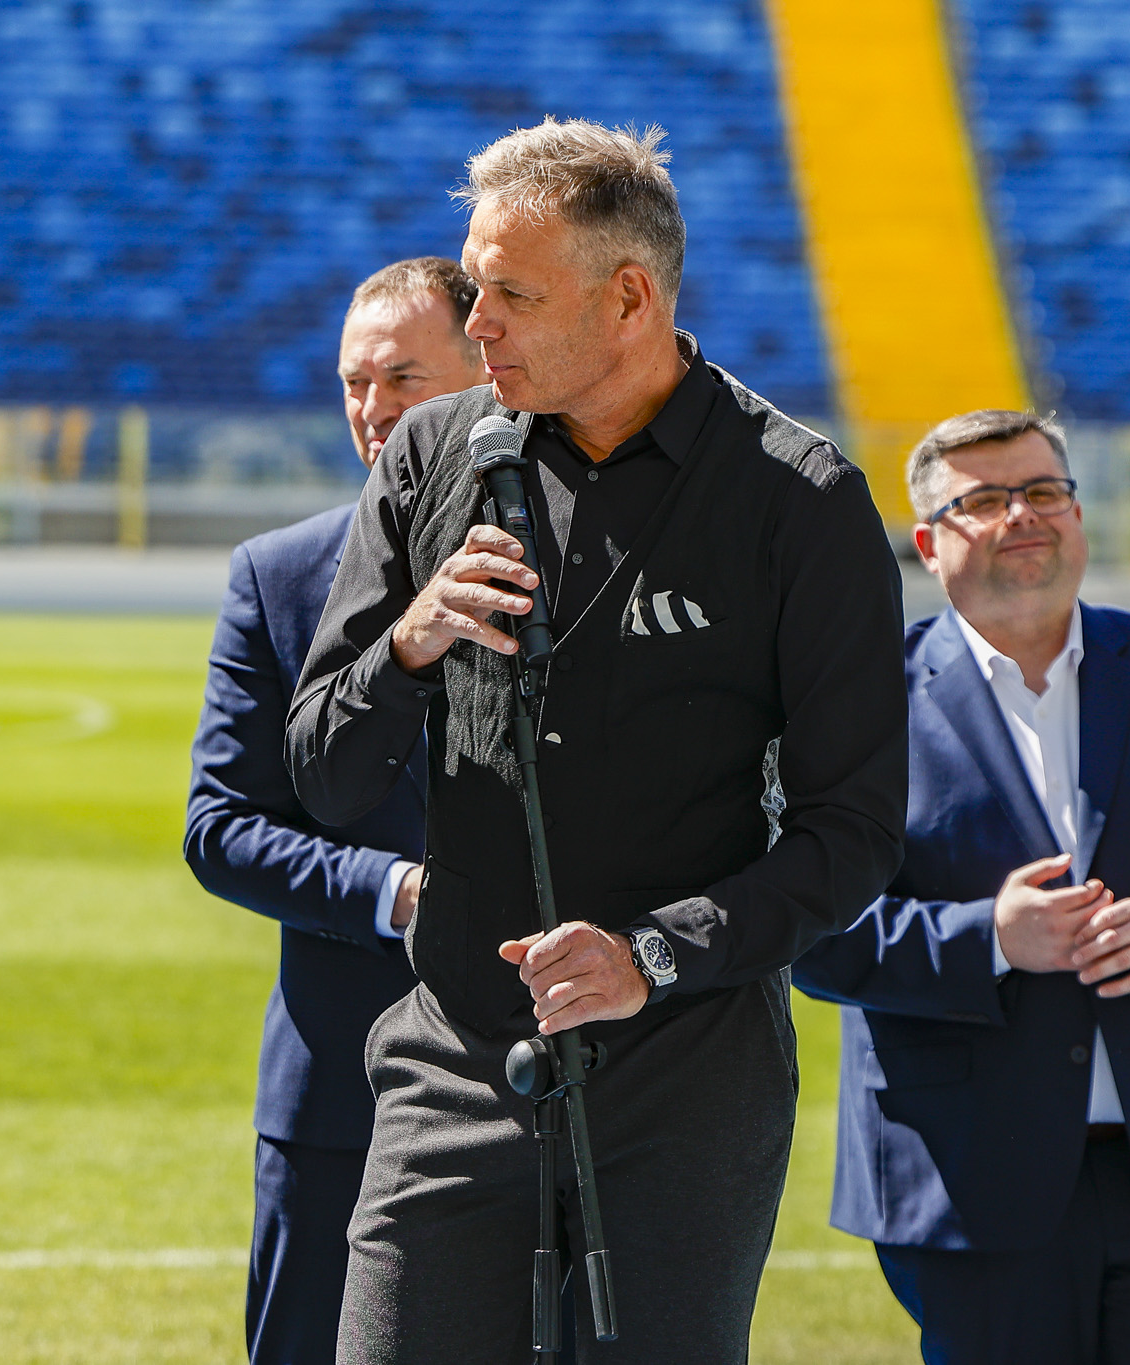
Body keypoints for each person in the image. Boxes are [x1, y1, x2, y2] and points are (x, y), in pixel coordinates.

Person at [285, 118, 909, 1365]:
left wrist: (652, 957)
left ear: (629, 297)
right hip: (454, 1054)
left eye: (512, 295)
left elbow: (852, 834)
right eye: (477, 289)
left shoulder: (801, 496)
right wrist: (408, 644)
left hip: (688, 1074)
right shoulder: (426, 458)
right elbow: (318, 764)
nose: (477, 328)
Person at [793, 409, 1130, 1365]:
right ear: (928, 542)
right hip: (970, 1179)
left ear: (1078, 513)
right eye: (985, 500)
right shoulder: (855, 698)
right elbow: (806, 926)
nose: (1024, 515)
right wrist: (990, 939)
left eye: (1045, 491)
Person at [186, 256, 488, 1364]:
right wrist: (393, 893)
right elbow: (219, 828)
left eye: (401, 377)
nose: (371, 410)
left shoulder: (589, 558)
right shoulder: (279, 575)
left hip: (550, 1077)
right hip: (339, 1087)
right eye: (352, 383)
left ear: (488, 366)